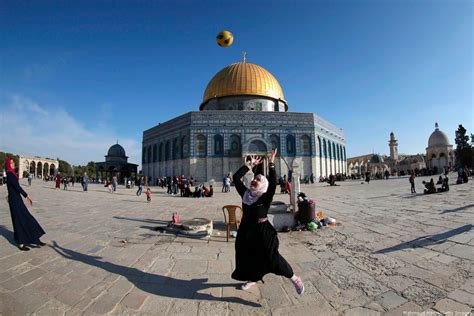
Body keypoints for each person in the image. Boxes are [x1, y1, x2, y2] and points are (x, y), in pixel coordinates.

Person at [231, 149, 304, 295]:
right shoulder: (246, 194)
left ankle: (294, 278)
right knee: (248, 255)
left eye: (258, 180)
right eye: (254, 179)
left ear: (262, 185)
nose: (254, 180)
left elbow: (273, 183)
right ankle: (253, 278)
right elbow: (236, 177)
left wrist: (271, 163)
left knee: (272, 258)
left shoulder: (264, 197)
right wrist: (249, 166)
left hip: (263, 231)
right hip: (247, 231)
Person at [4, 157, 46, 251]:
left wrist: (9, 195)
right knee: (19, 220)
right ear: (8, 165)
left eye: (13, 162)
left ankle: (35, 239)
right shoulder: (10, 174)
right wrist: (27, 196)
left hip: (16, 199)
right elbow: (17, 187)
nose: (13, 164)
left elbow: (12, 187)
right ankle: (21, 243)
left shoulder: (11, 174)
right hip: (15, 201)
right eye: (11, 163)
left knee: (27, 218)